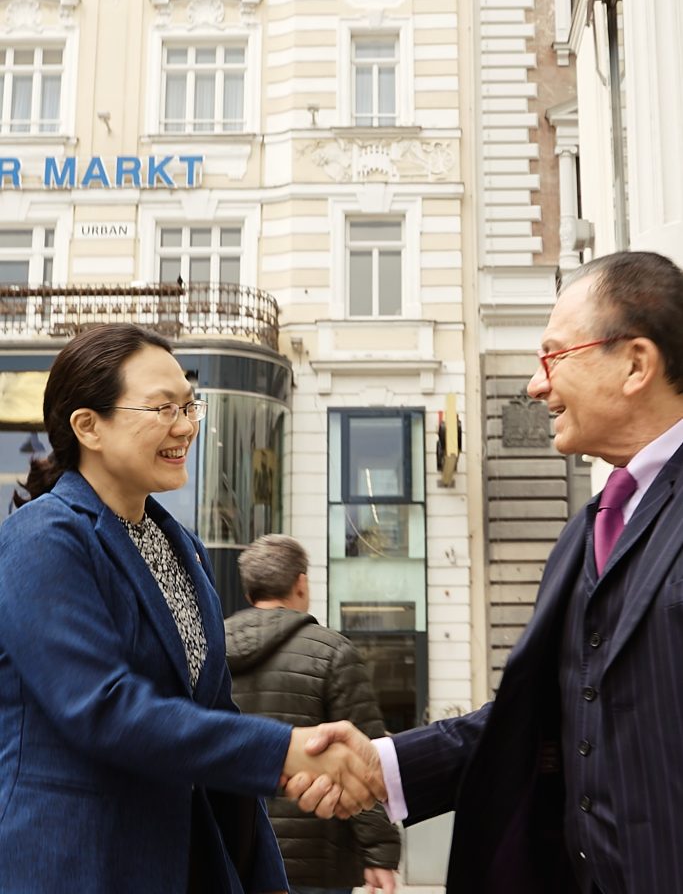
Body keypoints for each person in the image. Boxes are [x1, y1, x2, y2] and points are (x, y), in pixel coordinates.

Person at [288, 250, 683, 894]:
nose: (535, 385)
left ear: (636, 363)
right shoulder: (587, 532)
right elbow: (540, 718)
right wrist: (381, 764)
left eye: (554, 356)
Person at [0, 323, 384, 894]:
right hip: (76, 861)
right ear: (88, 427)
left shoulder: (182, 546)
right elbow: (103, 708)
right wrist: (285, 752)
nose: (186, 427)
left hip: (184, 860)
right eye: (162, 409)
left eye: (189, 404)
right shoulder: (43, 537)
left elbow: (215, 712)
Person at [225, 534, 401, 894]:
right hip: (317, 861)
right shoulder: (333, 651)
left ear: (249, 593)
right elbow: (362, 758)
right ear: (301, 583)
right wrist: (380, 851)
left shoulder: (211, 651)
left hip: (233, 855)